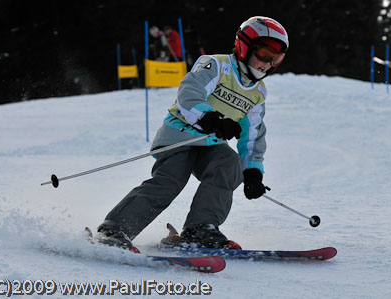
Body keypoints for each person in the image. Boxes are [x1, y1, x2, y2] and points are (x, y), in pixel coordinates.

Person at [96, 16, 289, 252]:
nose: (267, 64)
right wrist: (211, 118)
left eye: (276, 59)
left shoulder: (258, 92)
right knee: (171, 179)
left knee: (229, 164)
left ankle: (200, 229)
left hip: (210, 145)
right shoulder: (216, 65)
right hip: (180, 135)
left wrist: (252, 172)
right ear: (244, 46)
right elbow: (189, 92)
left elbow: (253, 135)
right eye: (265, 55)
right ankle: (115, 229)